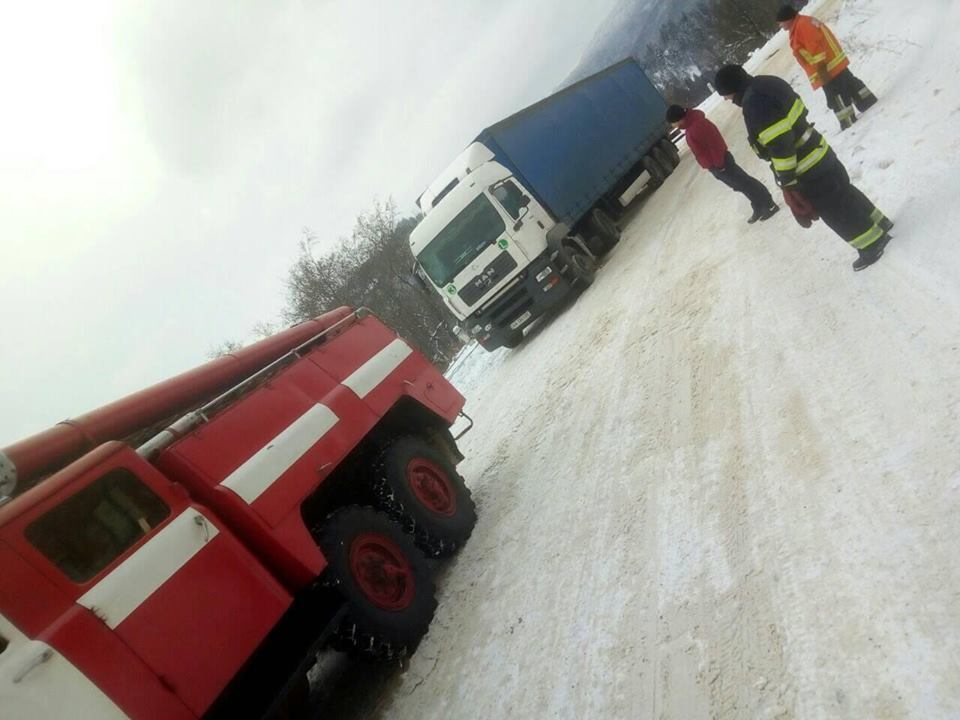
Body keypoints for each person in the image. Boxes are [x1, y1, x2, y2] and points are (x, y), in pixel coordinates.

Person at [713, 64, 893, 271]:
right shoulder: (767, 82)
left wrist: (787, 180)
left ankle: (871, 243)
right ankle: (880, 224)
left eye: (725, 95)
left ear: (731, 89)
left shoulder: (755, 103)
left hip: (807, 167)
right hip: (819, 150)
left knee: (834, 209)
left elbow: (779, 145)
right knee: (844, 193)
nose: (726, 99)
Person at [666, 105, 778, 224]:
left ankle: (768, 204)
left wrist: (719, 164)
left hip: (721, 163)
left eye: (672, 123)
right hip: (716, 165)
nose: (673, 126)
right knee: (740, 185)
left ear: (678, 119)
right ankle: (758, 206)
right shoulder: (691, 127)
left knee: (745, 182)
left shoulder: (697, 125)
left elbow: (714, 144)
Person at [776, 5, 878, 131]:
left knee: (836, 96)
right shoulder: (802, 23)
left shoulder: (802, 26)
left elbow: (815, 48)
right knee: (850, 84)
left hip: (827, 68)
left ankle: (847, 121)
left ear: (788, 19)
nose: (780, 26)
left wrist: (821, 69)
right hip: (832, 63)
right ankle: (867, 101)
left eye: (781, 22)